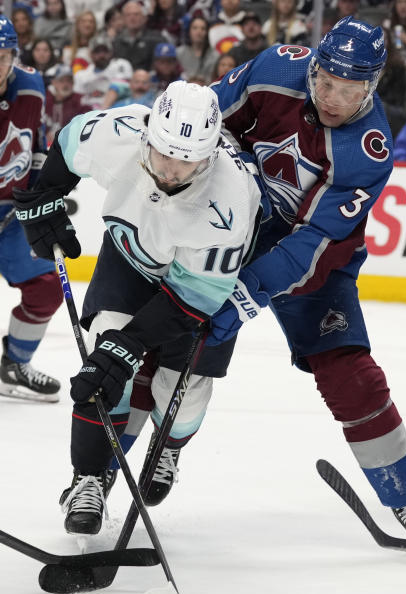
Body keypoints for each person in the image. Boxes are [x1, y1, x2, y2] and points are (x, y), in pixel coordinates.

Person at [208, 16, 406, 545]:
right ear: (313, 66)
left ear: (372, 86)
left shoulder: (368, 151)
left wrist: (246, 292)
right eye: (324, 81)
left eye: (348, 89)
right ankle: (129, 462)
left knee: (352, 375)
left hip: (317, 262)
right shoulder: (275, 68)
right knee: (180, 340)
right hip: (235, 227)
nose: (332, 98)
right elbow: (205, 118)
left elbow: (311, 245)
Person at [13, 80, 262, 534]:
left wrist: (128, 346)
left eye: (187, 161)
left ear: (209, 156)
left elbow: (193, 299)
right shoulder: (121, 130)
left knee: (181, 398)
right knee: (102, 370)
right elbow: (69, 143)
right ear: (147, 134)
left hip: (198, 286)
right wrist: (44, 200)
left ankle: (168, 446)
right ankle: (88, 479)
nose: (171, 170)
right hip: (130, 256)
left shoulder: (230, 198)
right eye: (164, 153)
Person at [0, 17, 63, 403]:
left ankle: (14, 364)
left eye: (2, 55)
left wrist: (38, 190)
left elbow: (36, 143)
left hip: (11, 212)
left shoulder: (31, 86)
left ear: (12, 55)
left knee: (48, 286)